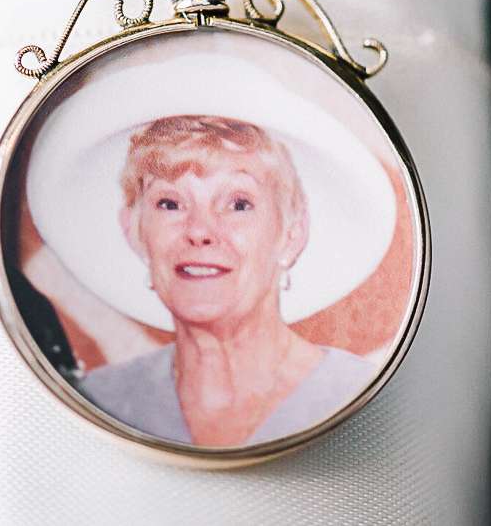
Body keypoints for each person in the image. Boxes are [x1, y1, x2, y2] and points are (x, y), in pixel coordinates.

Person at [77, 115, 376, 446]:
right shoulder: (97, 399)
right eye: (170, 203)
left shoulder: (362, 396)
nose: (200, 231)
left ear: (292, 235)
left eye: (238, 204)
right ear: (134, 232)